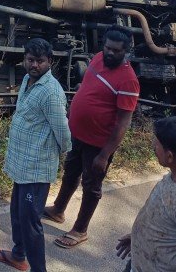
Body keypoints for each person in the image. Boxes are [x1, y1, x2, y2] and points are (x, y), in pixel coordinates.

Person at [43, 26, 140, 249]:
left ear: (125, 51)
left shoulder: (129, 81)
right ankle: (58, 209)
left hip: (98, 144)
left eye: (116, 50)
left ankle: (80, 230)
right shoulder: (97, 58)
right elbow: (86, 86)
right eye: (107, 48)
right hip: (78, 135)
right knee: (70, 172)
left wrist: (104, 155)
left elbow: (123, 123)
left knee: (91, 185)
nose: (110, 53)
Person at [0, 38, 72, 272]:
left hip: (36, 167)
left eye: (40, 61)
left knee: (30, 224)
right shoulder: (28, 80)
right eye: (30, 60)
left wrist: (62, 157)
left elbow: (62, 131)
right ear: (24, 59)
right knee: (17, 214)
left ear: (49, 62)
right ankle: (18, 256)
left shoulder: (51, 92)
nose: (34, 65)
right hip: (21, 164)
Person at [116, 117, 176, 272]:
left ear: (170, 157)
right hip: (141, 262)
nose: (153, 146)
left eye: (157, 143)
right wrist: (139, 237)